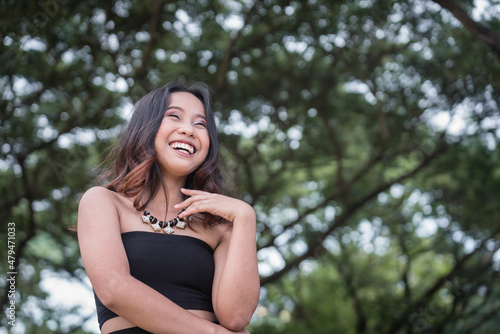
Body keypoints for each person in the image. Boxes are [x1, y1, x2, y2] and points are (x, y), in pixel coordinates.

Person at [77, 82, 260, 334]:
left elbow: (236, 317)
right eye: (174, 116)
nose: (188, 130)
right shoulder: (102, 202)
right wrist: (212, 332)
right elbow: (113, 289)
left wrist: (245, 217)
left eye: (200, 124)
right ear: (146, 128)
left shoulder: (218, 225)